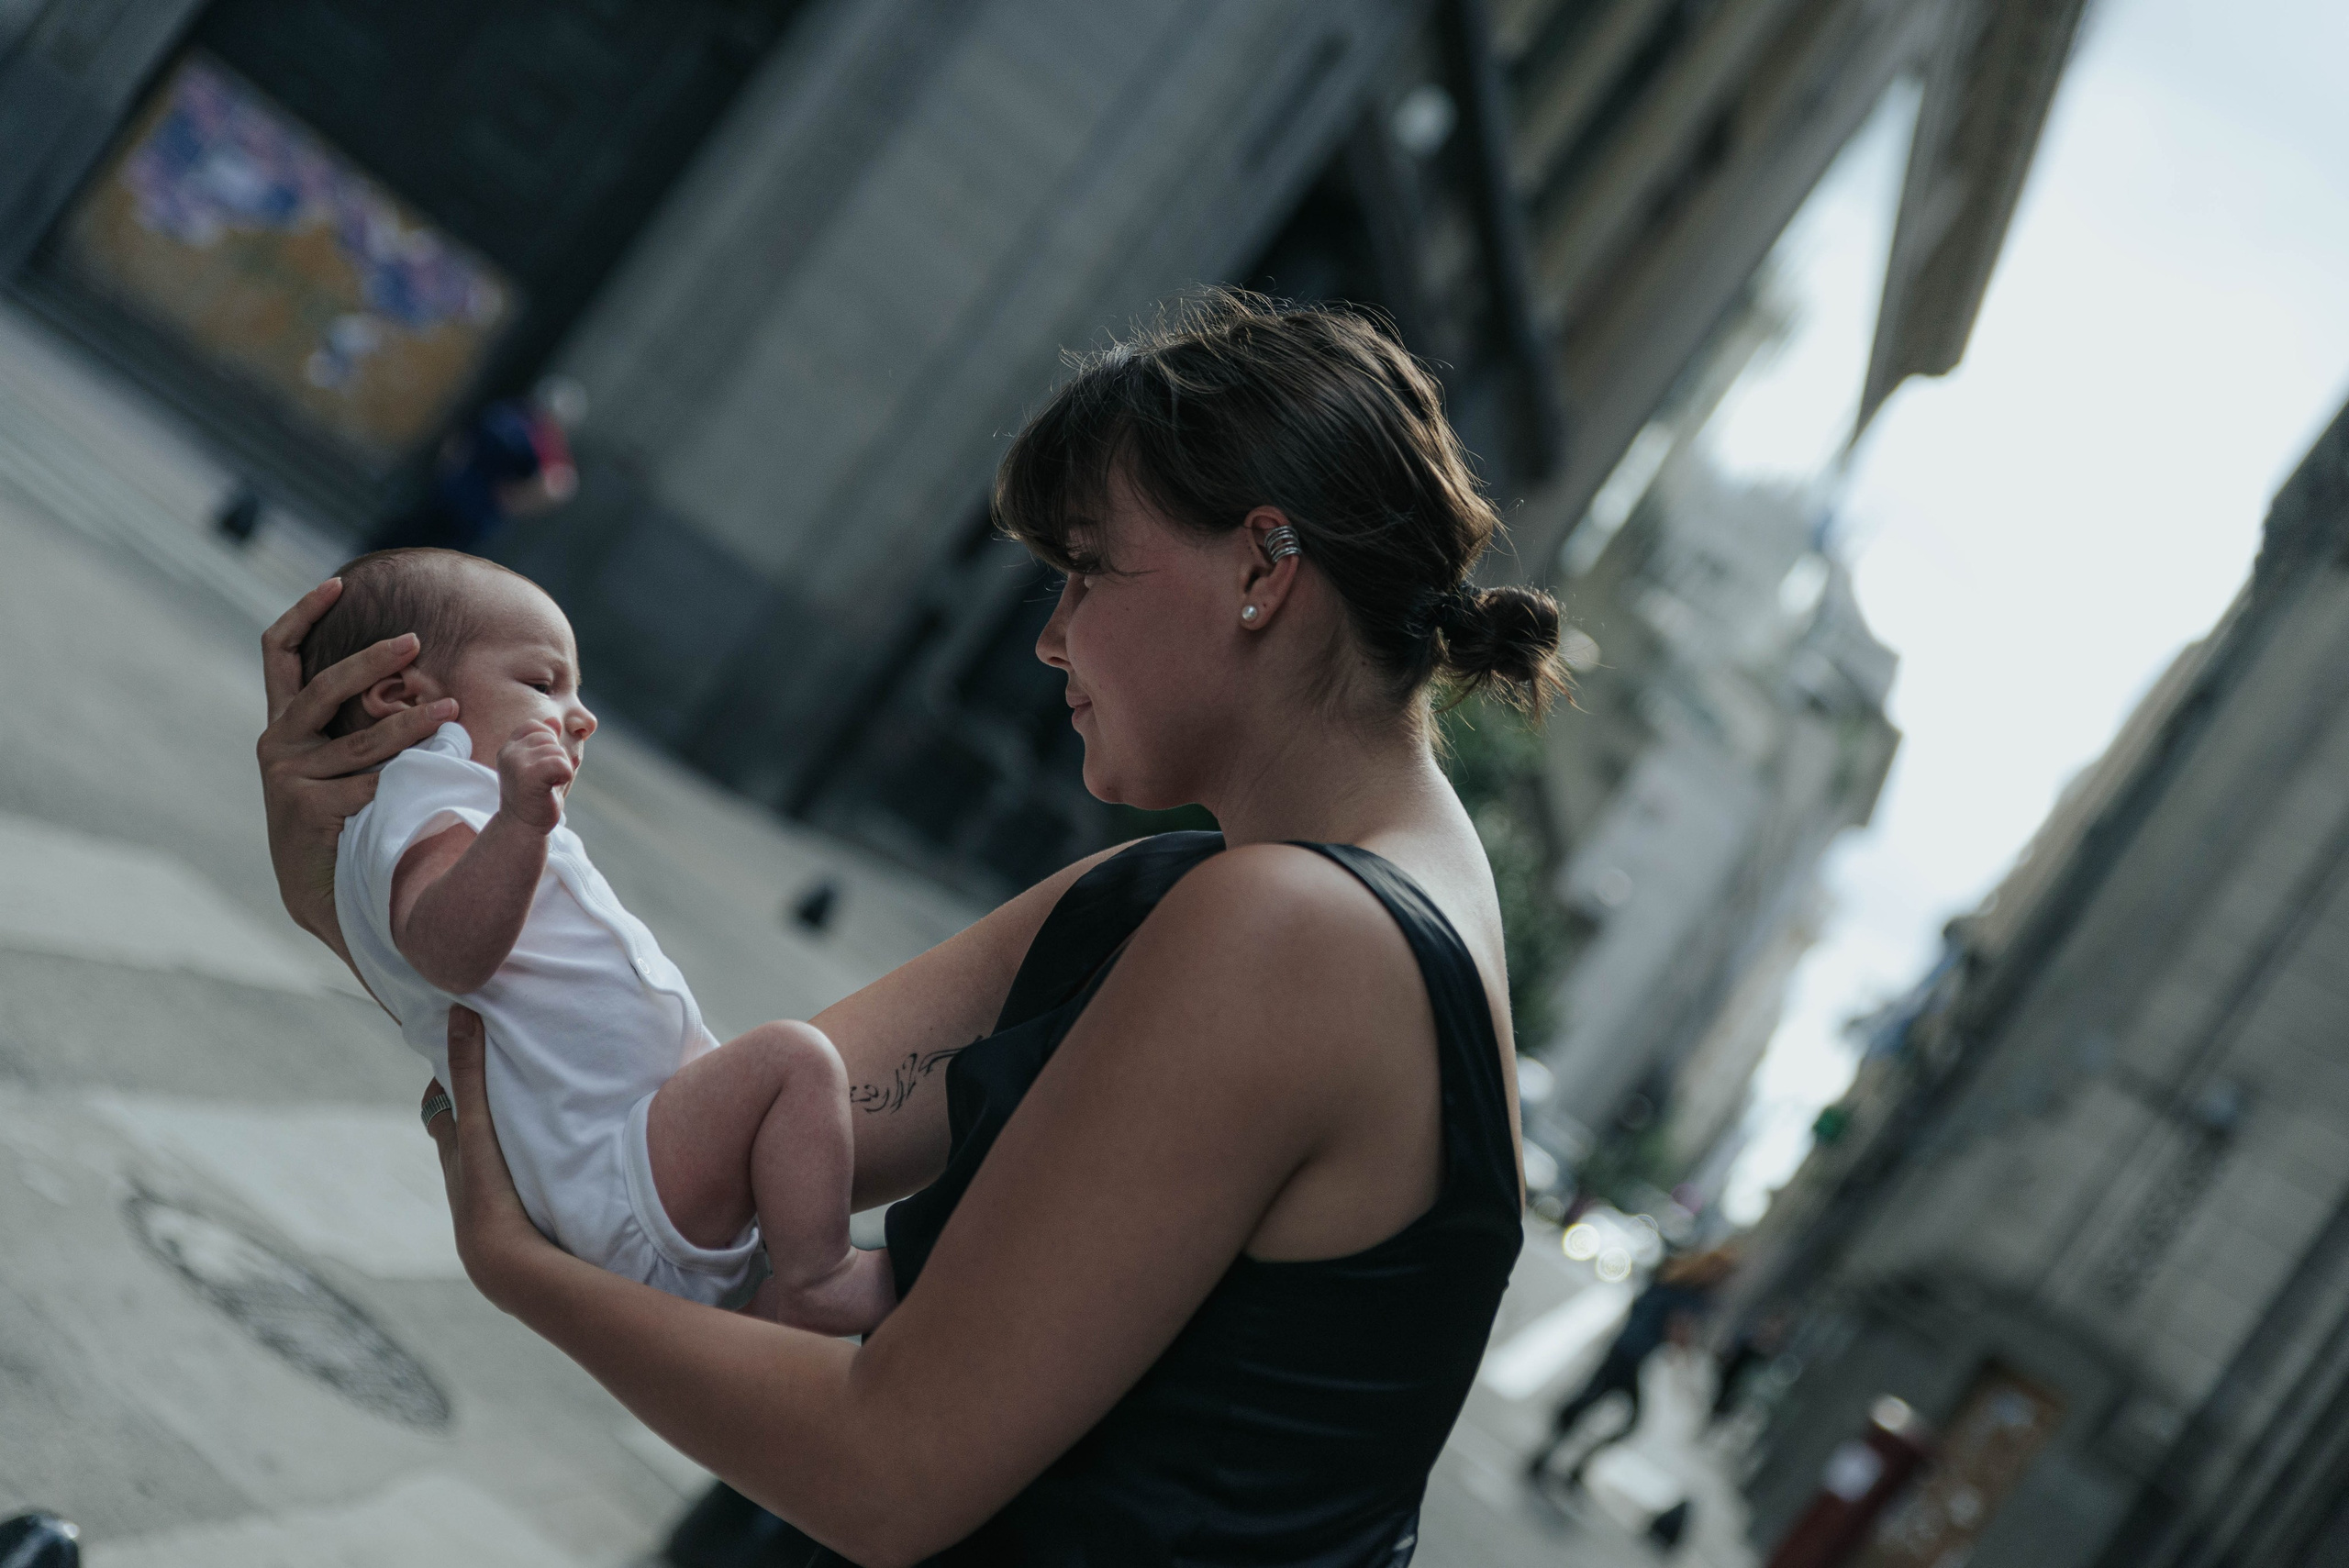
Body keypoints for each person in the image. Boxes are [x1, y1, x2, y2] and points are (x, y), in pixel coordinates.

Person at [257, 290, 1564, 1566]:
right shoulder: (1197, 898)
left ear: (1264, 567)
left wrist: (519, 1273)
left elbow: (888, 1473)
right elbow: (676, 1139)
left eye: (1086, 572)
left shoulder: (1294, 930)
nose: (1052, 639)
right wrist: (355, 876)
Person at [298, 546, 890, 1332]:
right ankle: (821, 1275)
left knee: (786, 1083)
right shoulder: (426, 798)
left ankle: (785, 1290)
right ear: (405, 698)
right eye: (542, 684)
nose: (582, 715)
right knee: (795, 1060)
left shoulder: (450, 808)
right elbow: (444, 948)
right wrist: (515, 822)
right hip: (620, 1178)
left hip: (633, 1167)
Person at [1523, 1245, 1739, 1492]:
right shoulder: (1691, 1294)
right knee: (1619, 1417)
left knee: (1593, 1403)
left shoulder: (1670, 1275)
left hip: (1622, 1348)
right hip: (1632, 1357)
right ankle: (1566, 1463)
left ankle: (1555, 1459)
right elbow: (1678, 1330)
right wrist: (1687, 1373)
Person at [367, 376, 583, 555]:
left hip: (470, 509)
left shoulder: (538, 442)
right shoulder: (512, 422)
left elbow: (558, 486)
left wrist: (519, 500)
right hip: (455, 498)